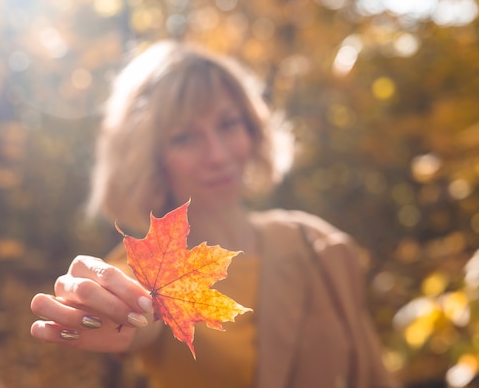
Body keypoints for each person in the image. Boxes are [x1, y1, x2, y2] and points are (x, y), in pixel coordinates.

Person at [30, 40, 400, 388]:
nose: (217, 154)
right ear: (150, 159)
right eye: (184, 138)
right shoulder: (146, 272)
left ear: (252, 131)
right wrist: (112, 311)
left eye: (227, 124)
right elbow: (137, 310)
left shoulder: (317, 245)